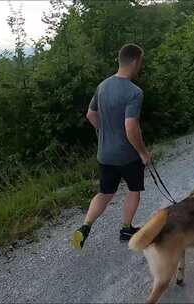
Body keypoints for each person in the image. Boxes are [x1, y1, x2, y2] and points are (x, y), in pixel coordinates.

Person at [71, 43, 151, 250]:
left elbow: (90, 114)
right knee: (134, 190)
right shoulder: (134, 92)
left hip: (105, 154)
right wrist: (143, 153)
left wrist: (104, 132)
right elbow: (131, 126)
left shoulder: (103, 86)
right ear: (134, 61)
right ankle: (126, 229)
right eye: (140, 62)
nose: (140, 66)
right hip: (127, 155)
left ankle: (85, 227)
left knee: (104, 193)